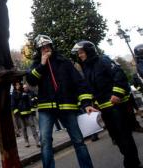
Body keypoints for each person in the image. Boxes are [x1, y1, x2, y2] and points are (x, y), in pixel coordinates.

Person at [27, 35, 95, 168]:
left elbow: (80, 83)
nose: (45, 49)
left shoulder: (64, 62)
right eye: (42, 47)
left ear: (52, 46)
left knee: (78, 140)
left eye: (47, 46)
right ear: (39, 50)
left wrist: (86, 104)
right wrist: (42, 64)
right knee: (45, 142)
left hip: (67, 107)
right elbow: (31, 81)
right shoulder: (36, 64)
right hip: (46, 110)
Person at [72, 40, 142, 168]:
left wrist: (117, 94)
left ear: (89, 51)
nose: (80, 55)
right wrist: (87, 104)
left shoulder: (103, 60)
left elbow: (119, 75)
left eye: (81, 52)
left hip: (117, 106)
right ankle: (130, 159)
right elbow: (86, 89)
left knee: (124, 135)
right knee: (116, 138)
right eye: (79, 53)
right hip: (105, 110)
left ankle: (132, 163)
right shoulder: (86, 69)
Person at [12, 83, 40, 147]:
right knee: (23, 128)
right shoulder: (14, 94)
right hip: (21, 114)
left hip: (28, 112)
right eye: (16, 85)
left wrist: (32, 109)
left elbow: (30, 101)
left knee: (32, 125)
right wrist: (17, 112)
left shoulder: (24, 92)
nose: (18, 86)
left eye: (19, 85)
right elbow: (13, 104)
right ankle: (26, 142)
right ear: (15, 87)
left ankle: (37, 141)